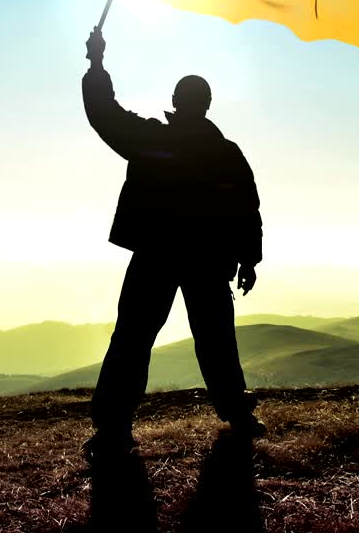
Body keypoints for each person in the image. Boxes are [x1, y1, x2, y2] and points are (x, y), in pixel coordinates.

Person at [81, 27, 265, 459]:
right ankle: (236, 413)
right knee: (213, 340)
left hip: (158, 255)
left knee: (133, 339)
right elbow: (248, 208)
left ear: (178, 101)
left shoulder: (154, 140)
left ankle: (113, 427)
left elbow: (104, 113)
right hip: (202, 260)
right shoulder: (224, 152)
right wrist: (248, 259)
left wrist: (95, 64)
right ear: (204, 105)